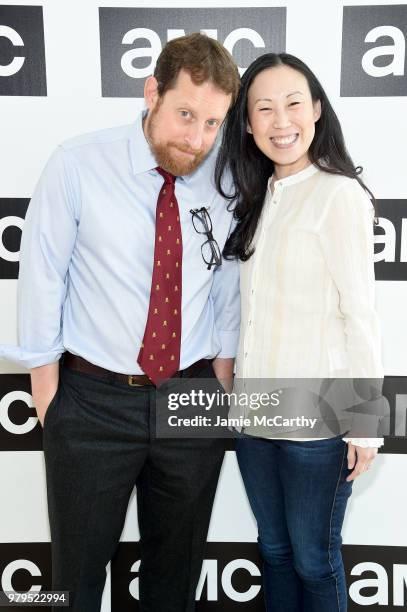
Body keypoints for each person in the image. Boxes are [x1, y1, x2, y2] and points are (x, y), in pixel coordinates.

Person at [1, 34, 240, 611]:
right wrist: (50, 398)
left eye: (212, 124)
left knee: (174, 580)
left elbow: (227, 292)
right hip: (90, 401)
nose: (196, 139)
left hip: (192, 397)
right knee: (75, 580)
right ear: (152, 92)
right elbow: (41, 278)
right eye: (186, 115)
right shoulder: (77, 164)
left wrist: (223, 388)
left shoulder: (226, 179)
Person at [216, 53, 385, 611]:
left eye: (293, 103)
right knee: (276, 551)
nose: (280, 120)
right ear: (247, 122)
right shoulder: (259, 198)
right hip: (255, 413)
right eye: (263, 108)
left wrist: (366, 422)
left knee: (314, 557)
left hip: (317, 421)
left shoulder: (339, 195)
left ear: (316, 110)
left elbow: (359, 312)